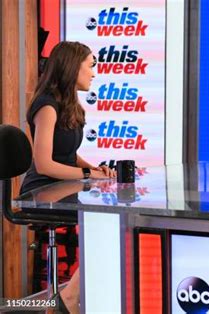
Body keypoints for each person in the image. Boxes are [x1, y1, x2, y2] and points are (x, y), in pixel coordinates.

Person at [20, 41, 116, 313]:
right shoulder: (46, 106)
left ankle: (70, 296)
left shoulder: (71, 105)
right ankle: (69, 298)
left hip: (63, 186)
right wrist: (88, 175)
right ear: (73, 68)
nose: (94, 72)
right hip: (41, 190)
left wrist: (95, 169)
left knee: (111, 217)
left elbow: (69, 155)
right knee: (105, 220)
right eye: (91, 65)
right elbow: (45, 164)